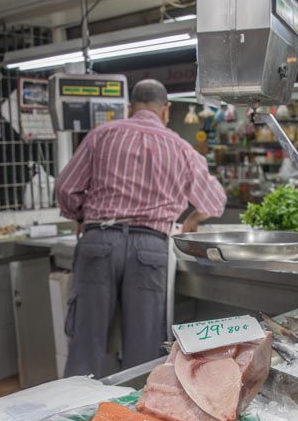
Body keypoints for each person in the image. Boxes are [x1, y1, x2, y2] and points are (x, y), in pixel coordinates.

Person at [55, 79, 227, 377]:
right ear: (166, 110)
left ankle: (77, 417)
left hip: (100, 240)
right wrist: (193, 220)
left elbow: (66, 188)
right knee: (144, 348)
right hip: (151, 247)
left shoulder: (101, 136)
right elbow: (215, 201)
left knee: (86, 342)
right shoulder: (181, 148)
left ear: (130, 107)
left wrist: (81, 215)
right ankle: (135, 418)